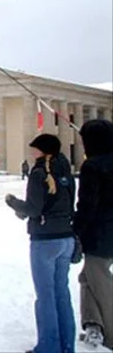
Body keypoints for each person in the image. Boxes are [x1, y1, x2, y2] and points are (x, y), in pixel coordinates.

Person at [5, 134, 76, 353]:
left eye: (35, 149)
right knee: (62, 293)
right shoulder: (66, 171)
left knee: (45, 295)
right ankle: (66, 345)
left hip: (45, 239)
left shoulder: (38, 173)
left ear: (43, 151)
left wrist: (14, 203)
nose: (32, 152)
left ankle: (48, 347)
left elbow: (34, 209)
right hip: (66, 236)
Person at [73, 119, 113, 349]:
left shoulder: (93, 166)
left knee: (100, 282)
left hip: (101, 234)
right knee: (86, 277)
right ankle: (93, 325)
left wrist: (77, 230)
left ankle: (109, 333)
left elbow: (88, 204)